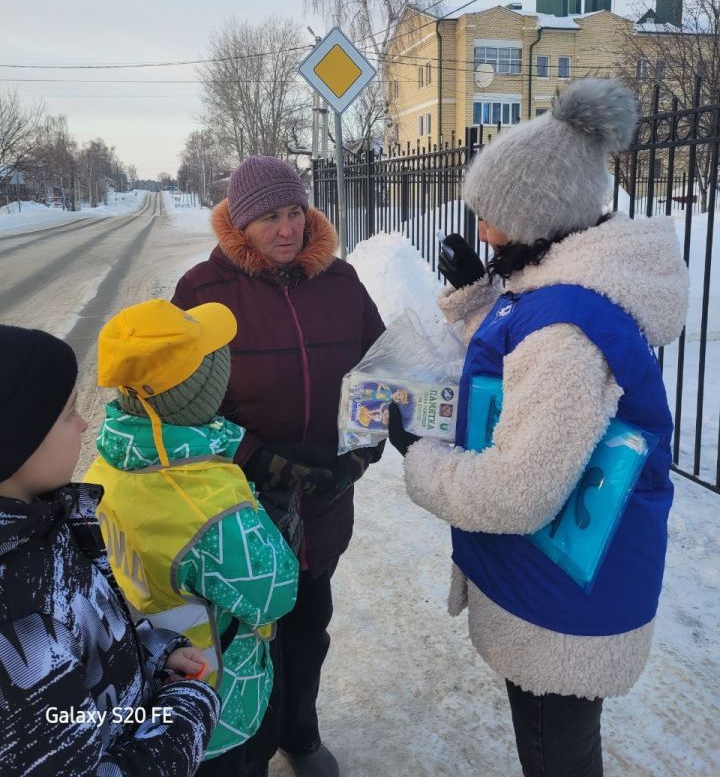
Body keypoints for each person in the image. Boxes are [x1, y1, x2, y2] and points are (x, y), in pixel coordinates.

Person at [388, 78, 689, 777]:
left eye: (490, 219)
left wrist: (423, 459)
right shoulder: (554, 287)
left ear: (537, 222)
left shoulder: (566, 332)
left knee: (556, 756)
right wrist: (478, 296)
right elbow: (513, 355)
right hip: (550, 579)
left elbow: (521, 489)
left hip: (563, 602)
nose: (481, 231)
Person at [172, 156, 385, 777]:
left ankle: (300, 732)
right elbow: (181, 408)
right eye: (270, 217)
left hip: (322, 504)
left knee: (308, 626)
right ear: (241, 223)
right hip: (241, 511)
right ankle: (248, 752)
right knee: (244, 640)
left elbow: (379, 374)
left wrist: (357, 456)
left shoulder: (342, 282)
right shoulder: (202, 293)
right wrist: (260, 459)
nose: (288, 229)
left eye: (295, 212)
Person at [85, 298, 300, 776]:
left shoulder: (106, 466)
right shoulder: (207, 503)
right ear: (199, 392)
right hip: (214, 704)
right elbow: (274, 597)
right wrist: (270, 526)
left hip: (146, 690)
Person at [0, 324, 220, 777]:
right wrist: (187, 709)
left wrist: (153, 654)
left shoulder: (43, 522)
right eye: (67, 414)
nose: (84, 423)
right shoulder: (17, 622)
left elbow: (90, 628)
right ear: (14, 442)